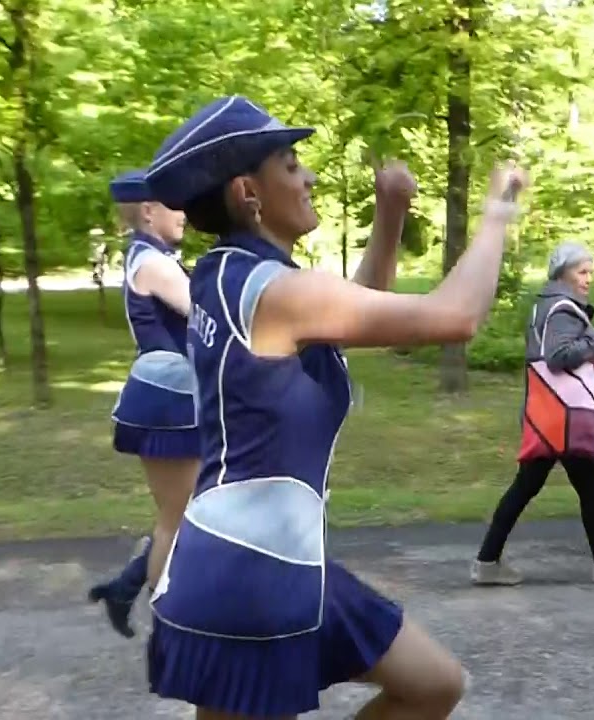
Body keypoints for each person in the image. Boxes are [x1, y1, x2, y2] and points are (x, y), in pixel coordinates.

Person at [141, 95, 529, 719]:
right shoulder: (272, 291)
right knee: (430, 686)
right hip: (252, 577)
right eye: (292, 165)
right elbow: (455, 316)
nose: (310, 177)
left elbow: (354, 309)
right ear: (248, 192)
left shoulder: (228, 273)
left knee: (434, 683)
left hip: (264, 558)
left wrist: (390, 212)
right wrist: (496, 214)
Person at [471, 241, 594, 586]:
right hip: (567, 418)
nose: (588, 279)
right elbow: (557, 357)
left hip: (549, 418)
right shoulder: (562, 308)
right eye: (582, 272)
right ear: (563, 273)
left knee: (531, 487)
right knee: (588, 487)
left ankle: (487, 561)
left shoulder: (547, 305)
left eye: (590, 272)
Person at [88, 169, 195, 639]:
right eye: (176, 204)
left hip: (179, 396)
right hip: (167, 402)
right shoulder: (154, 263)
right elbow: (208, 313)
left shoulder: (151, 256)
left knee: (190, 513)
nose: (185, 213)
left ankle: (126, 587)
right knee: (179, 520)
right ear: (149, 211)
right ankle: (167, 632)